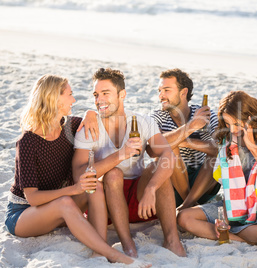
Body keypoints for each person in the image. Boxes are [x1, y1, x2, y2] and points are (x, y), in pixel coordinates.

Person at [4, 74, 135, 265]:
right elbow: (32, 198)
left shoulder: (71, 126)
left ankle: (98, 252)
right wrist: (73, 190)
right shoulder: (27, 142)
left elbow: (93, 117)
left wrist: (91, 112)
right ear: (54, 98)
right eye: (70, 94)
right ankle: (112, 254)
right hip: (24, 214)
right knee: (66, 201)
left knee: (94, 186)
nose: (74, 99)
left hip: (57, 209)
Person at [72, 68, 186, 259]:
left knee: (159, 167)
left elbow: (168, 155)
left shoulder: (142, 122)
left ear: (122, 95)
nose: (99, 100)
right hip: (105, 205)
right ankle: (128, 244)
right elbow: (79, 176)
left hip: (141, 202)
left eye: (105, 93)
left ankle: (172, 240)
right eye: (96, 94)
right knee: (113, 173)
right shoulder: (90, 127)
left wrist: (151, 188)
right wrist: (119, 155)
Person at [177, 91, 257, 245]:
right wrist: (226, 216)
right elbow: (228, 185)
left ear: (250, 118)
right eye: (227, 124)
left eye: (236, 124)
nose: (231, 130)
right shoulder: (228, 141)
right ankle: (241, 238)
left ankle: (232, 234)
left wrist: (253, 148)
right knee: (184, 218)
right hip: (236, 205)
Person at [150, 68, 220, 210]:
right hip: (170, 185)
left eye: (166, 90)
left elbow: (220, 148)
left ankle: (187, 205)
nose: (161, 96)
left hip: (202, 184)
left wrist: (181, 141)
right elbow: (152, 150)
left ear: (183, 92)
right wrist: (191, 127)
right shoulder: (157, 116)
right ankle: (189, 204)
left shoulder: (205, 114)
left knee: (218, 156)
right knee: (170, 148)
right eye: (159, 91)